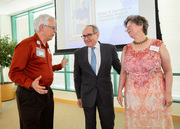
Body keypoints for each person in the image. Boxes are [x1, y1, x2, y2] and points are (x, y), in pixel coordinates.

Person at [8, 14, 68, 129]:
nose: (55, 31)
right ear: (42, 27)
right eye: (53, 27)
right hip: (30, 94)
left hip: (46, 93)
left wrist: (59, 66)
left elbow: (45, 68)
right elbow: (13, 73)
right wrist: (30, 83)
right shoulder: (26, 44)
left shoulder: (46, 47)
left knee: (47, 124)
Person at [117, 15, 174, 128]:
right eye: (126, 28)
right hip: (133, 99)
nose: (127, 29)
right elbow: (123, 72)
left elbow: (168, 71)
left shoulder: (158, 44)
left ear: (140, 25)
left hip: (155, 98)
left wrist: (168, 94)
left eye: (129, 25)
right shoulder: (126, 49)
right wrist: (119, 91)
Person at [74, 25, 121, 129]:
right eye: (84, 36)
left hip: (105, 94)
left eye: (89, 35)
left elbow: (119, 69)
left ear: (97, 35)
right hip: (87, 94)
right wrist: (79, 96)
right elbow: (77, 77)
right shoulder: (78, 53)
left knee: (108, 123)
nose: (86, 38)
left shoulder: (110, 49)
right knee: (89, 125)